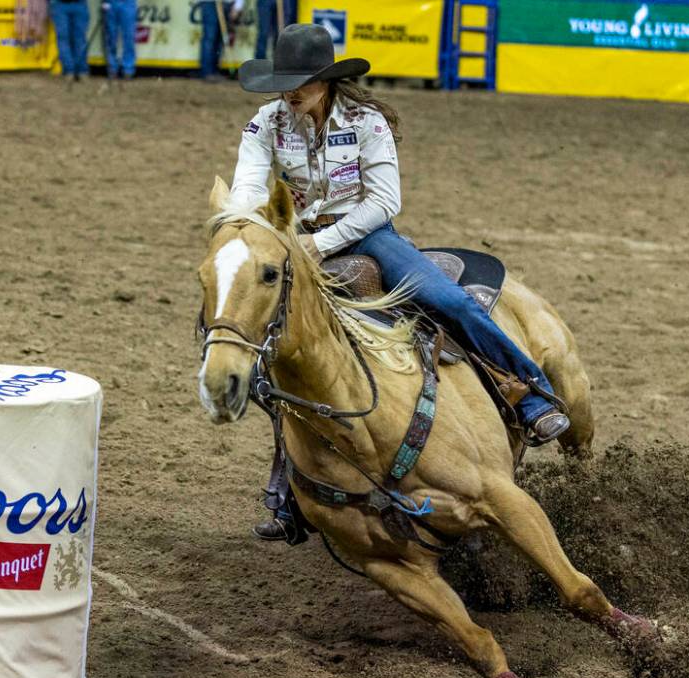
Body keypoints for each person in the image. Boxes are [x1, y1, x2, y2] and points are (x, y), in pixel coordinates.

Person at [229, 24, 571, 542]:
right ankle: (290, 487)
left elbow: (383, 202)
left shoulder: (366, 123)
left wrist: (318, 245)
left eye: (300, 81)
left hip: (365, 236)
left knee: (448, 301)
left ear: (326, 80)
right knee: (271, 359)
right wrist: (259, 232)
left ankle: (533, 395)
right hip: (294, 244)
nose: (290, 91)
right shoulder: (265, 125)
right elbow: (246, 190)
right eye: (284, 81)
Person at [49, 0, 90, 82]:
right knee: (63, 38)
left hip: (80, 4)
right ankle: (69, 70)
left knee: (80, 39)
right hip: (59, 5)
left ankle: (81, 70)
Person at [102, 0, 138, 81]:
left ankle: (128, 70)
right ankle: (112, 68)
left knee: (129, 36)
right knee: (111, 36)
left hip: (128, 2)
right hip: (110, 2)